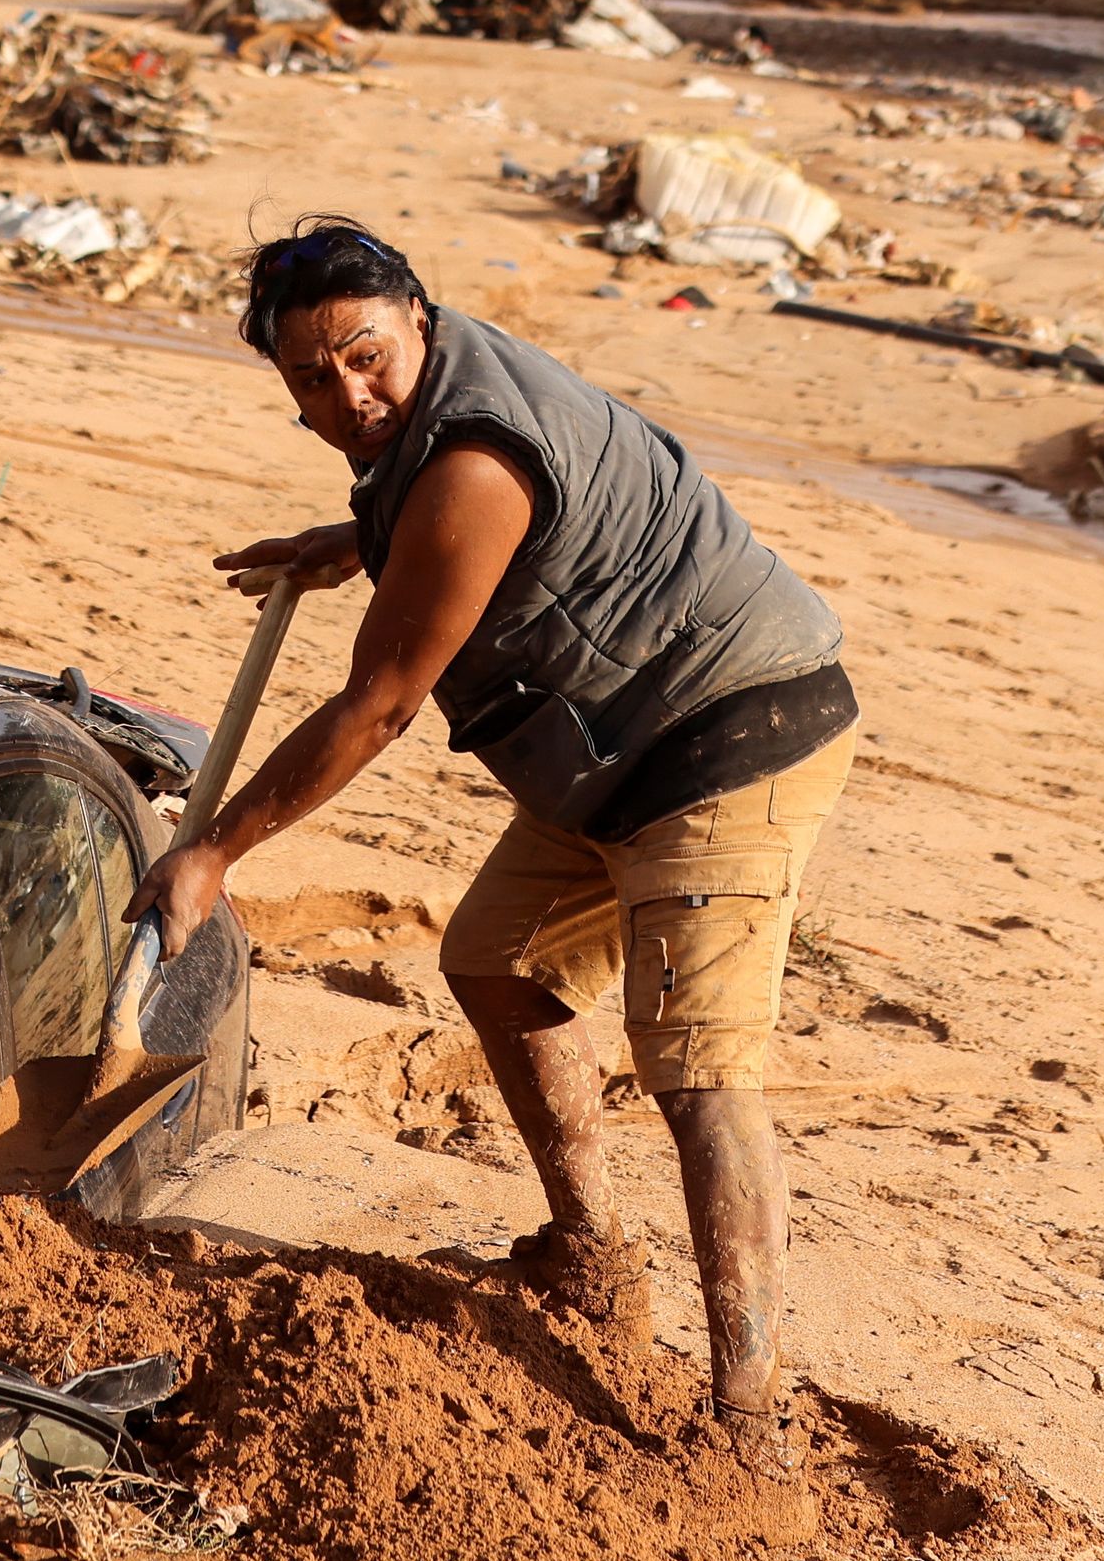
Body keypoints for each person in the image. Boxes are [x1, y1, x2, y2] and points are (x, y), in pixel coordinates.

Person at [133, 227, 859, 1476]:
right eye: (312, 379)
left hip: (728, 732)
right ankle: (590, 1256)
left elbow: (379, 705)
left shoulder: (469, 463)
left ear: (419, 315)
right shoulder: (436, 424)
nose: (348, 395)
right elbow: (464, 528)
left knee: (696, 1071)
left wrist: (216, 853)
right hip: (609, 747)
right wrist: (353, 540)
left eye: (366, 356)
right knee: (493, 962)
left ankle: (750, 1422)